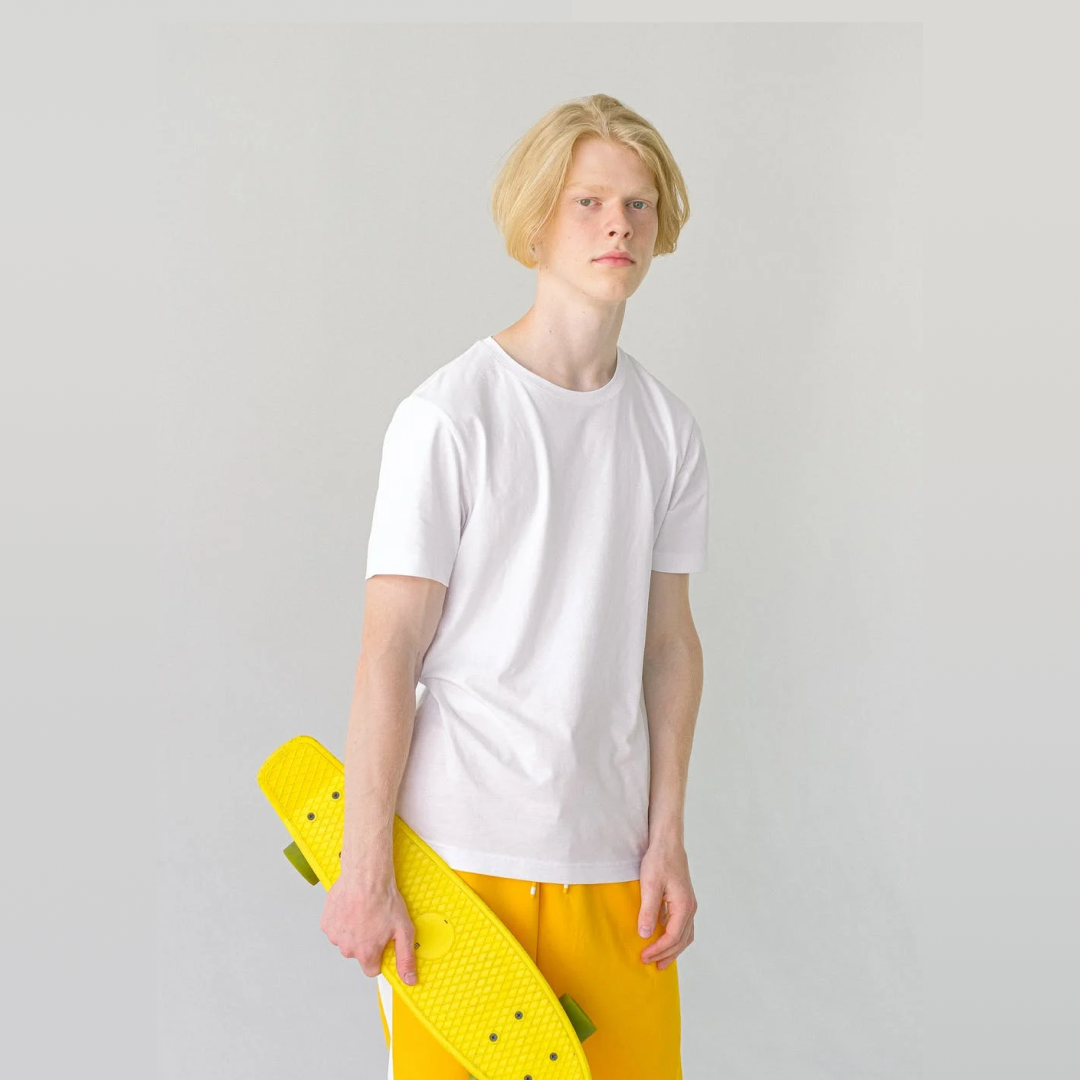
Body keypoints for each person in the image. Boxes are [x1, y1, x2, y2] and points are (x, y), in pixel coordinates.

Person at [320, 93, 708, 1079]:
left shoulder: (667, 431)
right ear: (537, 219)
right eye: (589, 202)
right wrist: (366, 869)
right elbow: (389, 650)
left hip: (614, 865)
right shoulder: (449, 417)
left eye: (639, 204)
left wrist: (666, 837)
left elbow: (670, 645)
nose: (619, 225)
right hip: (460, 869)